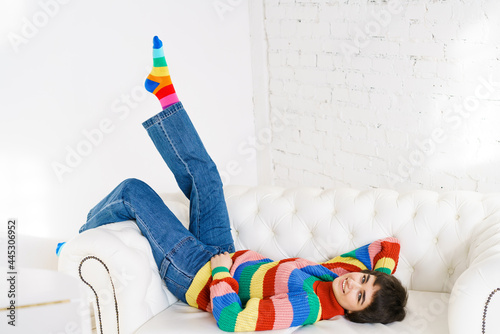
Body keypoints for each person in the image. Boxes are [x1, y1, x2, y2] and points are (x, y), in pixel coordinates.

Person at [78, 36, 407, 332]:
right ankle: (165, 91)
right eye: (364, 279)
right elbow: (387, 245)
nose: (354, 283)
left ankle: (82, 241)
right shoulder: (338, 274)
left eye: (360, 296)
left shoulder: (308, 306)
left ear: (356, 315)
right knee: (207, 176)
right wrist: (382, 277)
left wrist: (220, 276)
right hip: (224, 253)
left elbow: (235, 321)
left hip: (198, 276)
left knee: (134, 190)